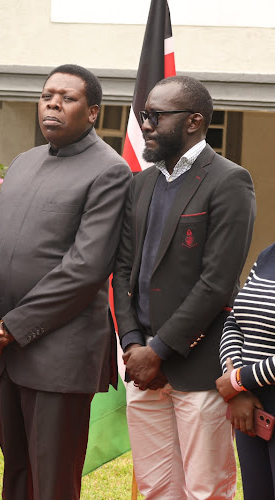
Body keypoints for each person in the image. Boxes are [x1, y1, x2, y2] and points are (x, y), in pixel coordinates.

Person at [0, 64, 132, 500]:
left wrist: (13, 327)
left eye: (67, 98)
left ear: (93, 111)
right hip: (2, 349)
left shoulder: (109, 171)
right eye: (47, 96)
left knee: (52, 482)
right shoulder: (24, 162)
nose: (53, 104)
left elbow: (86, 268)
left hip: (58, 355)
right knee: (16, 473)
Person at [113, 75, 256, 499]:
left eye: (156, 116)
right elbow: (122, 271)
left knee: (206, 489)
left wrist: (158, 352)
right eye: (144, 116)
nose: (146, 125)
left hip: (198, 366)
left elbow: (217, 284)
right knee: (157, 487)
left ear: (194, 121)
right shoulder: (141, 183)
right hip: (141, 369)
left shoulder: (230, 180)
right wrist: (134, 345)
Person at [217, 242, 275, 499]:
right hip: (251, 410)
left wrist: (239, 380)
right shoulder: (267, 256)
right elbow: (234, 324)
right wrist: (236, 388)